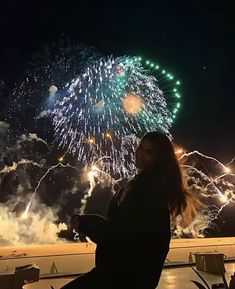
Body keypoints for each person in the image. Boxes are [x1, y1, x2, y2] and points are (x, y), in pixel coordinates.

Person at [60, 131, 191, 289]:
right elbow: (122, 227)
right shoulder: (139, 183)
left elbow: (124, 236)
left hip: (125, 277)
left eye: (149, 152)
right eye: (140, 148)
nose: (140, 154)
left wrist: (89, 225)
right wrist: (90, 222)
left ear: (159, 158)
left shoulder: (149, 191)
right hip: (118, 272)